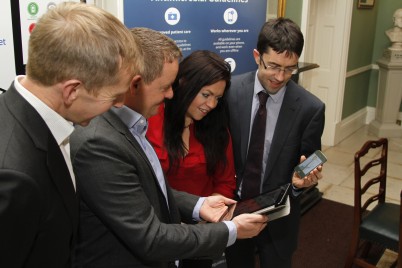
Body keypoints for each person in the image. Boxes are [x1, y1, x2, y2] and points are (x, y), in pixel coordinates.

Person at [70, 27, 268, 268]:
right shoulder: (99, 142)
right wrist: (231, 229)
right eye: (165, 87)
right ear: (135, 84)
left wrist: (199, 205)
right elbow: (150, 237)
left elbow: (149, 188)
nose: (171, 94)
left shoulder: (132, 125)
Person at [0, 2, 139, 267]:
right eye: (114, 95)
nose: (120, 104)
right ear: (72, 91)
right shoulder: (14, 174)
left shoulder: (32, 118)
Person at [225, 18, 325, 268]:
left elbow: (309, 160)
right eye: (273, 66)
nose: (280, 77)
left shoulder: (311, 108)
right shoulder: (231, 91)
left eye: (290, 69)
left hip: (280, 220)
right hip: (235, 210)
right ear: (257, 55)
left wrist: (304, 181)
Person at [147, 50, 236, 267]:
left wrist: (207, 218)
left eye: (218, 98)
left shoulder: (217, 129)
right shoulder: (150, 119)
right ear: (184, 83)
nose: (212, 105)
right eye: (206, 95)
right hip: (156, 233)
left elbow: (225, 182)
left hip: (200, 236)